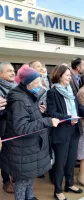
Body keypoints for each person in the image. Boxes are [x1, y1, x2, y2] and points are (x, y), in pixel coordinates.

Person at [0, 65, 60, 200]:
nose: (40, 86)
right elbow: (21, 127)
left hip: (29, 146)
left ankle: (30, 197)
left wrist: (38, 111)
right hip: (22, 148)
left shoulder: (27, 94)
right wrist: (47, 121)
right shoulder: (19, 99)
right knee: (22, 180)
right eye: (37, 83)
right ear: (27, 83)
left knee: (29, 176)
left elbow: (27, 115)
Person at [46, 65, 84, 200]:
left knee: (70, 161)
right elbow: (51, 113)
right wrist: (69, 118)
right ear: (59, 76)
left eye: (70, 75)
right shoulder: (52, 92)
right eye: (67, 75)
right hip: (61, 132)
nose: (70, 77)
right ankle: (57, 190)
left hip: (74, 131)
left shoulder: (70, 90)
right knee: (60, 163)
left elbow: (78, 107)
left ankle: (69, 184)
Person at [0, 62, 17, 193]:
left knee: (15, 152)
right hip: (4, 126)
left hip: (17, 125)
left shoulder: (16, 87)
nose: (13, 73)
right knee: (6, 154)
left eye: (13, 70)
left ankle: (14, 175)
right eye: (9, 71)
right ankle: (6, 180)